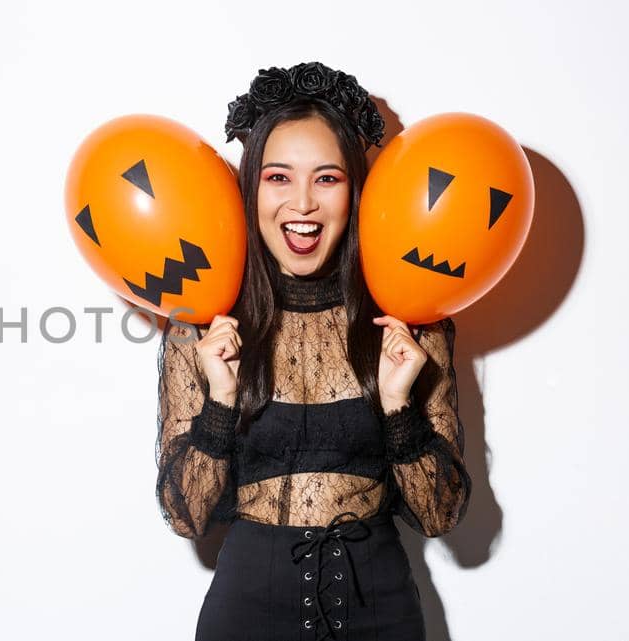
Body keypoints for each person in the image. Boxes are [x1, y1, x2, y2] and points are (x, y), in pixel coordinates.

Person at [154, 62, 473, 640]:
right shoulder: (203, 324)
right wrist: (221, 401)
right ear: (251, 189)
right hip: (246, 617)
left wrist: (399, 405)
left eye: (327, 178)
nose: (302, 203)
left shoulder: (410, 320)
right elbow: (186, 514)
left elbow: (440, 515)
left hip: (382, 615)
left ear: (357, 189)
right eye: (279, 177)